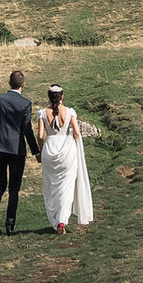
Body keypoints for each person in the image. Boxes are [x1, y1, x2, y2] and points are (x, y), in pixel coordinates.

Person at [0, 69, 43, 235]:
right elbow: (27, 130)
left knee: (0, 184)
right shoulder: (25, 104)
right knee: (14, 188)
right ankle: (10, 225)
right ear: (23, 85)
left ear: (9, 83)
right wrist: (36, 152)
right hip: (16, 150)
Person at [36, 84, 94, 233]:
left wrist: (41, 151)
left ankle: (56, 220)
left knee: (51, 187)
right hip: (66, 151)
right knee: (66, 188)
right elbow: (76, 132)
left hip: (49, 150)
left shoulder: (42, 113)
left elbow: (40, 135)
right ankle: (61, 221)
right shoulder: (70, 112)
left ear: (49, 97)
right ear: (62, 96)